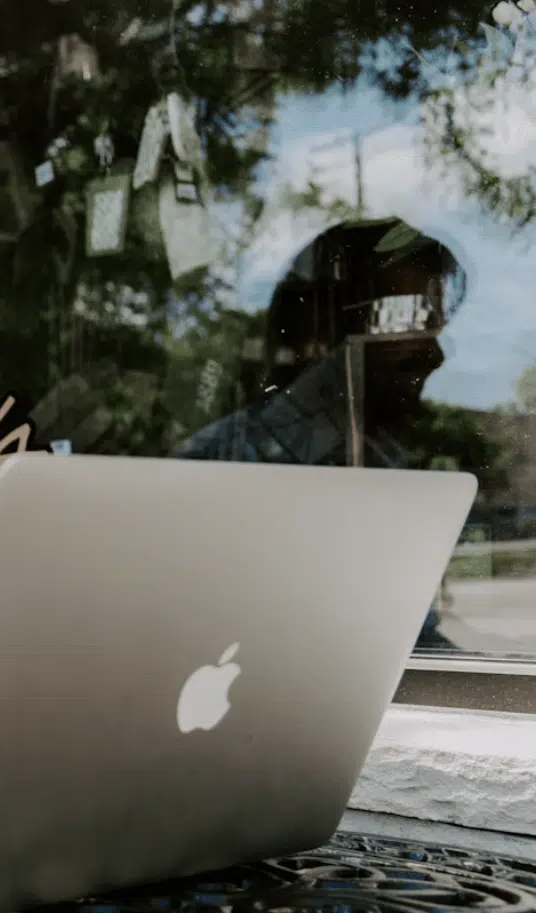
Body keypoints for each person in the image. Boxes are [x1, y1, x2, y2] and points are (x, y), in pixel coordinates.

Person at [174, 217, 469, 648]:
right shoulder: (214, 471)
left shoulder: (380, 461)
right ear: (326, 330)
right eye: (410, 320)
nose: (435, 353)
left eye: (435, 326)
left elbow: (411, 644)